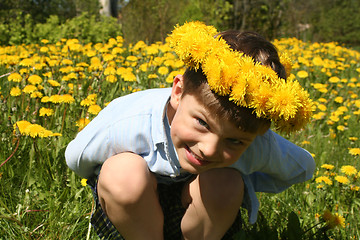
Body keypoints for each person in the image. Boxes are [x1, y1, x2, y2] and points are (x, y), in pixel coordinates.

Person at [65, 21, 315, 240]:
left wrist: (245, 177)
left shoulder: (258, 143)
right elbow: (76, 158)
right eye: (203, 124)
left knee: (226, 183)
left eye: (235, 142)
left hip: (199, 218)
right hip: (134, 216)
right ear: (178, 92)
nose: (209, 149)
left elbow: (304, 168)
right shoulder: (128, 121)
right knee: (121, 174)